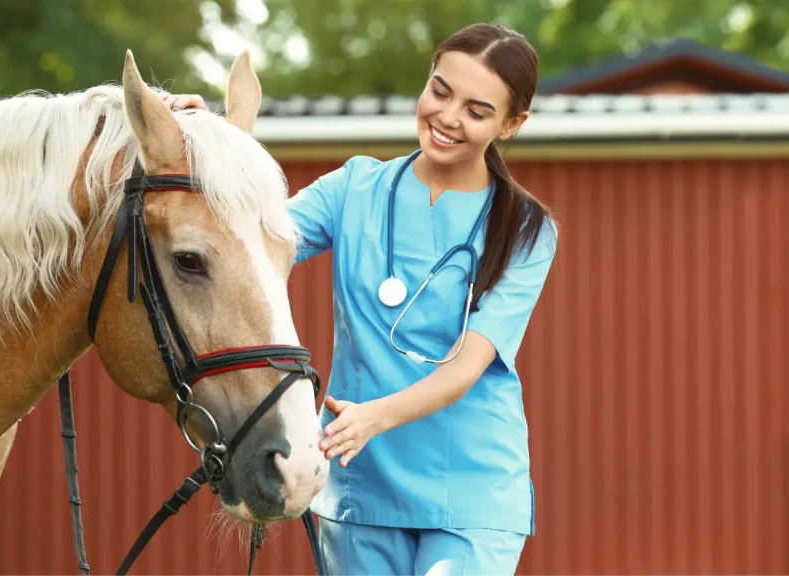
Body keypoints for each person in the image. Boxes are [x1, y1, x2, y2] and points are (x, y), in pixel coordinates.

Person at [163, 22, 558, 576]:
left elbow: (468, 367)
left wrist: (375, 416)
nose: (447, 118)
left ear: (511, 124)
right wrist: (215, 139)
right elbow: (245, 242)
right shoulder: (353, 190)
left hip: (471, 491)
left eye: (476, 110)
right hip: (360, 489)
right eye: (440, 92)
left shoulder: (526, 230)